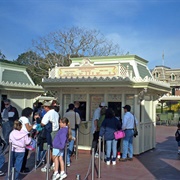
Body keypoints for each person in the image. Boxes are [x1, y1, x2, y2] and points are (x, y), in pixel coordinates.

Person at [41, 100, 59, 172]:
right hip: (56, 131)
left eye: (44, 107)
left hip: (49, 132)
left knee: (48, 149)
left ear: (47, 107)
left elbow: (43, 123)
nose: (44, 108)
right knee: (54, 149)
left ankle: (48, 164)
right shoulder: (56, 113)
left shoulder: (47, 114)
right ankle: (54, 163)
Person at [18, 107, 33, 173]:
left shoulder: (21, 118)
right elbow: (28, 129)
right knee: (25, 153)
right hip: (25, 136)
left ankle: (20, 166)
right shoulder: (26, 119)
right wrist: (33, 125)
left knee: (21, 152)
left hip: (20, 136)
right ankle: (22, 167)